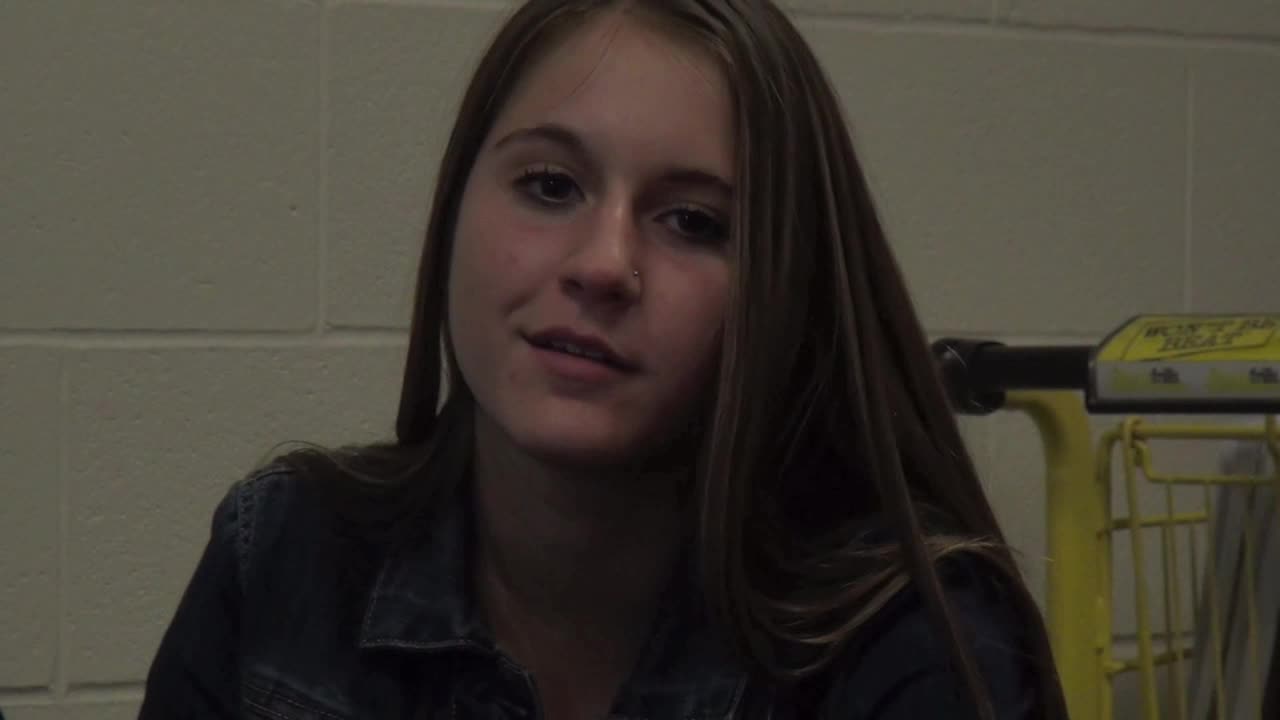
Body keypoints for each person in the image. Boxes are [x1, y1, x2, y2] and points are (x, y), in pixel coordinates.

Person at [139, 1, 1068, 717]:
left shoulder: (907, 647)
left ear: (784, 291)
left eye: (693, 222)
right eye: (550, 185)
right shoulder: (286, 556)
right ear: (456, 205)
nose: (603, 265)